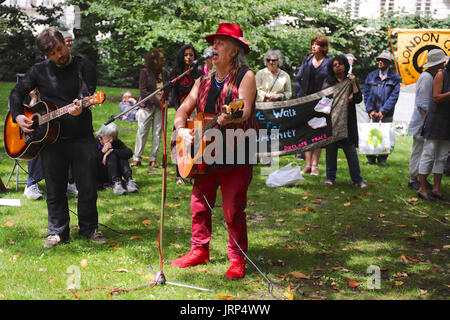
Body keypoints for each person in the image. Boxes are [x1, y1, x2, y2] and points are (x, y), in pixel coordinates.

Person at [171, 22, 258, 280]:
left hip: (236, 149)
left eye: (221, 42)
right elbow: (183, 109)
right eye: (214, 42)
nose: (214, 46)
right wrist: (180, 130)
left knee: (232, 208)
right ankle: (199, 250)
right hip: (204, 150)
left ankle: (236, 257)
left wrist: (229, 117)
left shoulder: (246, 76)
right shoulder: (204, 79)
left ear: (234, 51)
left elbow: (245, 109)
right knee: (199, 204)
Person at [8, 27, 107, 248]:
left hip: (81, 136)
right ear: (46, 55)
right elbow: (16, 93)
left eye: (60, 49)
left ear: (65, 42)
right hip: (50, 140)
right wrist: (18, 116)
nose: (58, 55)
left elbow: (86, 94)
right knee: (54, 188)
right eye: (52, 54)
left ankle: (90, 229)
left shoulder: (84, 67)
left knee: (88, 186)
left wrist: (81, 105)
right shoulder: (39, 71)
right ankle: (57, 231)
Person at [322, 55, 367, 188]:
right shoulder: (328, 81)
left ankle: (357, 180)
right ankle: (330, 178)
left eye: (340, 64)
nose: (338, 67)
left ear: (345, 65)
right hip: (333, 122)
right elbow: (325, 99)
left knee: (351, 152)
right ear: (332, 68)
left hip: (348, 122)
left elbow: (358, 98)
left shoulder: (351, 80)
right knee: (331, 152)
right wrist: (344, 100)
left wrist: (353, 83)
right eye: (335, 65)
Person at [294, 35, 332, 175]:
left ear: (323, 47)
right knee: (306, 132)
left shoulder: (329, 62)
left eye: (317, 44)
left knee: (318, 132)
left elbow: (331, 81)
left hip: (322, 102)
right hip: (305, 101)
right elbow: (298, 79)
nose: (313, 46)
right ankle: (308, 164)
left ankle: (315, 165)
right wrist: (299, 96)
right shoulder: (307, 60)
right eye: (313, 44)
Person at [407, 49, 444, 191]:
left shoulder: (431, 76)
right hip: (422, 123)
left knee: (425, 152)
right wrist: (429, 123)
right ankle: (413, 179)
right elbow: (422, 104)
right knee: (419, 150)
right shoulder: (426, 77)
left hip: (426, 121)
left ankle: (421, 178)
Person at [417, 49, 450, 201]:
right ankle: (422, 188)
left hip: (447, 121)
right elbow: (436, 97)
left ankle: (436, 189)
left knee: (442, 156)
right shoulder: (441, 74)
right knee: (429, 153)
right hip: (436, 120)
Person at [169, 44, 203, 185]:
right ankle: (179, 174)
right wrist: (180, 111)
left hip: (196, 110)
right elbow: (173, 94)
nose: (189, 57)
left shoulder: (198, 73)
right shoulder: (176, 72)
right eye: (186, 55)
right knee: (180, 142)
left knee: (196, 141)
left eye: (191, 55)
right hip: (181, 110)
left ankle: (194, 173)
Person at [131, 48, 169, 168]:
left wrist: (168, 102)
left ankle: (153, 159)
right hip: (147, 106)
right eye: (161, 58)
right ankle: (137, 158)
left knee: (157, 132)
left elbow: (169, 89)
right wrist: (158, 103)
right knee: (142, 131)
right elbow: (143, 91)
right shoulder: (145, 72)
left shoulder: (165, 73)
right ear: (154, 60)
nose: (164, 60)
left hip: (162, 107)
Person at [363, 50, 401, 166]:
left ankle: (382, 159)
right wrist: (370, 110)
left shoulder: (395, 77)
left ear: (388, 63)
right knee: (371, 134)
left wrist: (383, 111)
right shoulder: (371, 76)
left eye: (382, 60)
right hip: (372, 112)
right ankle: (370, 158)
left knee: (385, 135)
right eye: (378, 60)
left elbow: (394, 97)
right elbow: (367, 93)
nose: (379, 62)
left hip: (386, 113)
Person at [96, 123, 138, 195]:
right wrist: (103, 152)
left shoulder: (116, 142)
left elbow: (129, 153)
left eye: (114, 137)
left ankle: (129, 180)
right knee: (112, 155)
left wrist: (112, 151)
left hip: (114, 170)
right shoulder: (94, 143)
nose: (111, 140)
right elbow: (92, 161)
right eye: (109, 137)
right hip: (100, 173)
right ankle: (116, 183)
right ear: (101, 136)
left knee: (120, 155)